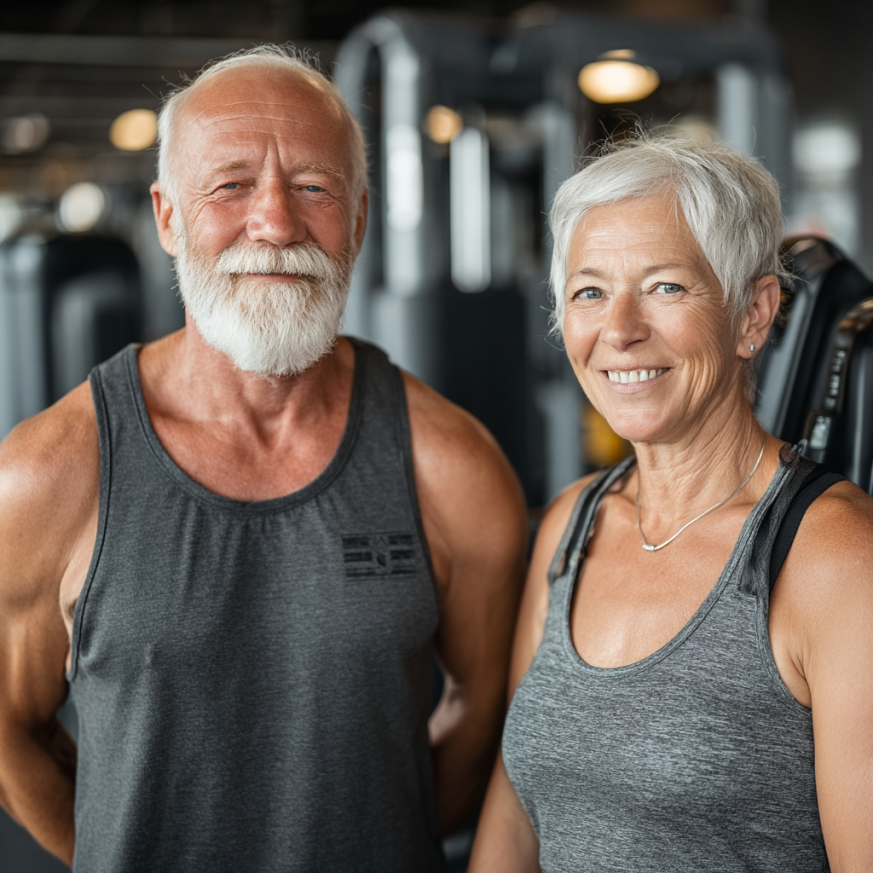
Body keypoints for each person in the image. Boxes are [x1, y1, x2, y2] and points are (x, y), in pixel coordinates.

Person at [0, 47, 527, 872]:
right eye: (230, 185)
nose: (276, 224)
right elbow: (8, 735)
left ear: (358, 220)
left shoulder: (453, 465)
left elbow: (481, 713)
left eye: (314, 187)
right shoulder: (46, 473)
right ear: (167, 216)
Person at [469, 136, 873, 872]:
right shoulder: (572, 523)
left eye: (664, 287)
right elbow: (514, 817)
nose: (619, 330)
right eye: (590, 292)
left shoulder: (834, 560)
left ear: (752, 314)